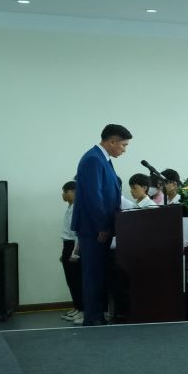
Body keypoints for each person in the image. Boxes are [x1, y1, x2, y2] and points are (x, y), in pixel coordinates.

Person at [72, 123, 131, 326]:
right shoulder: (93, 159)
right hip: (93, 228)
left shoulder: (103, 159)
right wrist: (102, 227)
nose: (124, 150)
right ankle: (92, 317)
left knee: (98, 272)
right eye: (123, 145)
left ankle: (97, 314)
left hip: (100, 226)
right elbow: (93, 196)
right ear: (112, 141)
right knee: (93, 273)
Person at [58, 180, 83, 322]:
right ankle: (77, 307)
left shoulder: (77, 209)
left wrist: (75, 253)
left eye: (65, 192)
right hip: (67, 246)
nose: (63, 195)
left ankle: (83, 309)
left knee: (77, 280)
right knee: (71, 280)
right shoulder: (70, 207)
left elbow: (77, 234)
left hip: (74, 246)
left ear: (74, 192)